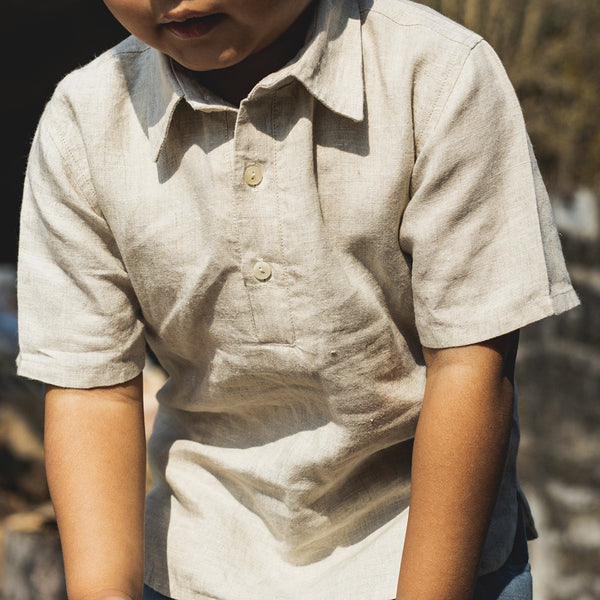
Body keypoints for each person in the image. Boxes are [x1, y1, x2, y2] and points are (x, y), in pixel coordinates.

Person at [16, 0, 579, 599]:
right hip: (201, 561)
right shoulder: (84, 123)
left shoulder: (435, 77)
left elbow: (472, 369)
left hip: (433, 555)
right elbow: (92, 391)